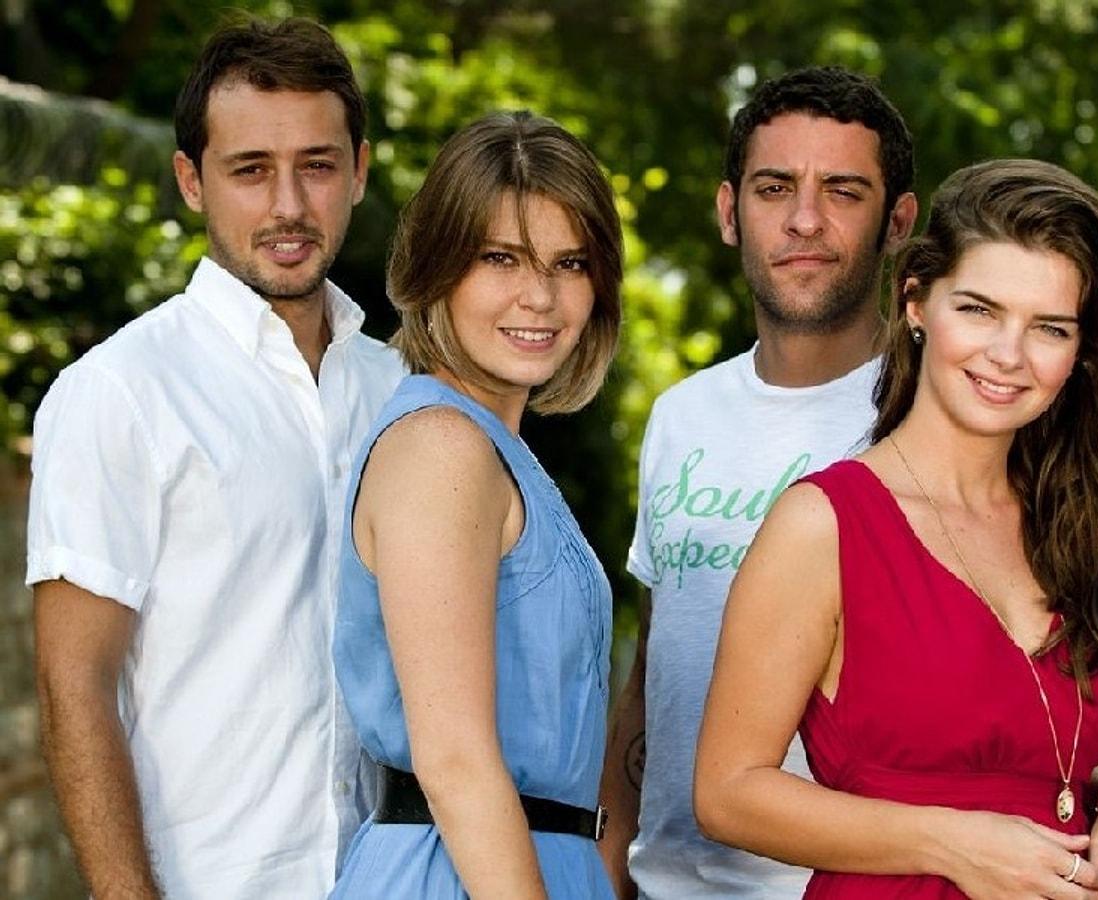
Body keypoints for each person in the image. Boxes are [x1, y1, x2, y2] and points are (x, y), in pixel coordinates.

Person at [694, 158, 1098, 899]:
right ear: (916, 301)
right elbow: (727, 793)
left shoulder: (1095, 535)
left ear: (1080, 352)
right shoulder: (825, 525)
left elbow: (1031, 755)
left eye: (1049, 328)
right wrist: (952, 842)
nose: (1008, 355)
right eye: (979, 310)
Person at [26, 18, 404, 899]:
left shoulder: (398, 390)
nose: (288, 206)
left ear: (359, 170)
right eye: (250, 170)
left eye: (317, 165)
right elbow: (74, 684)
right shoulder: (121, 392)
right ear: (191, 181)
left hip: (387, 878)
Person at [599, 66, 919, 898]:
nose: (804, 219)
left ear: (898, 223)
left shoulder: (931, 423)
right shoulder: (681, 416)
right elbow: (655, 669)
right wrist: (610, 864)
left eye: (843, 191)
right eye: (775, 188)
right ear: (728, 212)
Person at [329, 110, 622, 899]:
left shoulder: (492, 449)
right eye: (501, 258)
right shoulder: (441, 448)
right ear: (438, 267)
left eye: (570, 263)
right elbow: (456, 763)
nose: (541, 296)